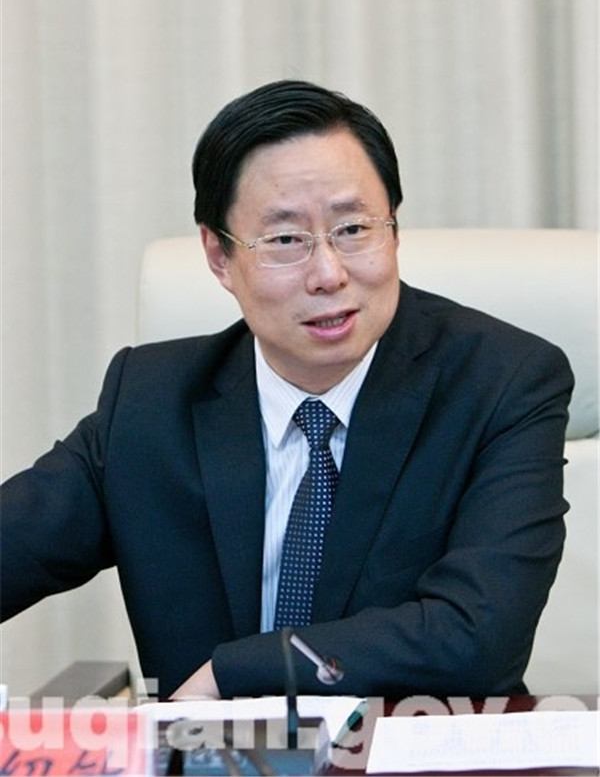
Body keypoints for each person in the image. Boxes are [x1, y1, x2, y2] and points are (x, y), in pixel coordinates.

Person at [1, 80, 573, 701]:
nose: (329, 273)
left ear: (395, 230)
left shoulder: (502, 383)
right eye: (285, 240)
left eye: (354, 228)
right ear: (219, 257)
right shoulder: (151, 403)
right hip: (210, 756)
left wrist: (233, 673)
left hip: (417, 746)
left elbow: (479, 637)